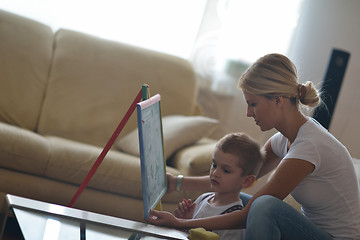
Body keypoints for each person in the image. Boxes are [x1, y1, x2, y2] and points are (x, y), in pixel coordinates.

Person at [147, 53, 360, 240]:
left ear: (278, 100)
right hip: (310, 229)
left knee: (262, 206)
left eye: (253, 104)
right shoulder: (283, 139)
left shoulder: (309, 146)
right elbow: (236, 177)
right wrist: (176, 182)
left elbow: (249, 213)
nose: (249, 113)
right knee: (235, 195)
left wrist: (178, 223)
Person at [174, 132, 264, 240]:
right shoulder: (203, 198)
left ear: (246, 181)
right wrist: (185, 221)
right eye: (214, 165)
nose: (215, 173)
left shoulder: (234, 221)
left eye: (226, 170)